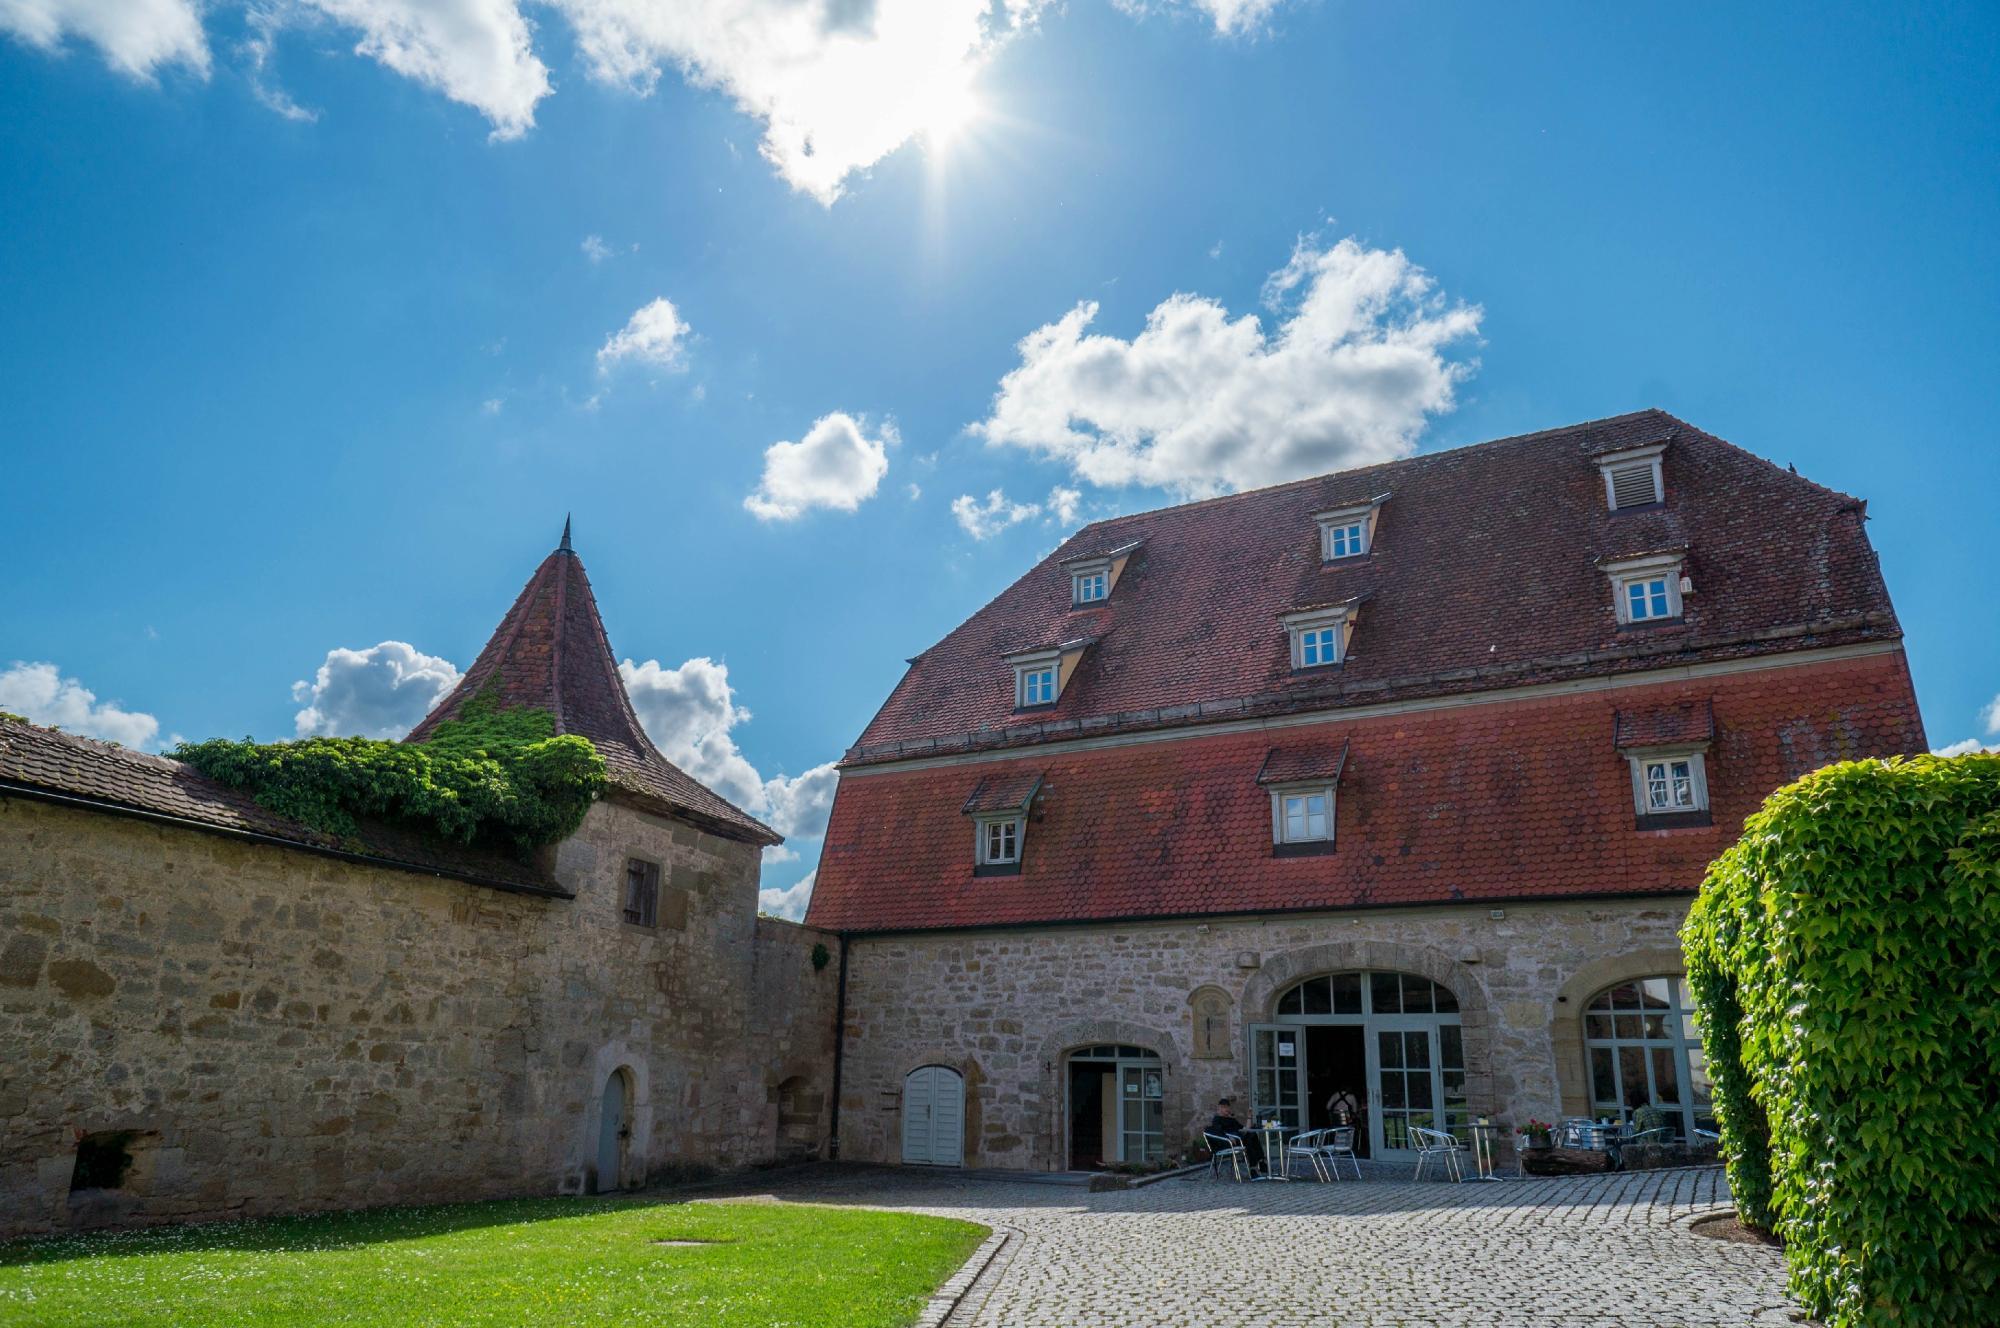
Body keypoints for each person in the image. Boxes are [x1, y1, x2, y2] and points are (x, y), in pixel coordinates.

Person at [1204, 1097, 1264, 1173]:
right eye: (1224, 1107)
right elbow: (1218, 1132)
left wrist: (1249, 1116)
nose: (1227, 1109)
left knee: (1252, 1135)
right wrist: (1228, 1137)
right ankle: (1255, 1167)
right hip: (1229, 1143)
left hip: (1239, 1140)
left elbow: (1245, 1129)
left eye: (1228, 1107)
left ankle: (1259, 1163)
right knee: (1249, 1139)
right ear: (1220, 1108)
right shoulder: (1217, 1120)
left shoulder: (1232, 1120)